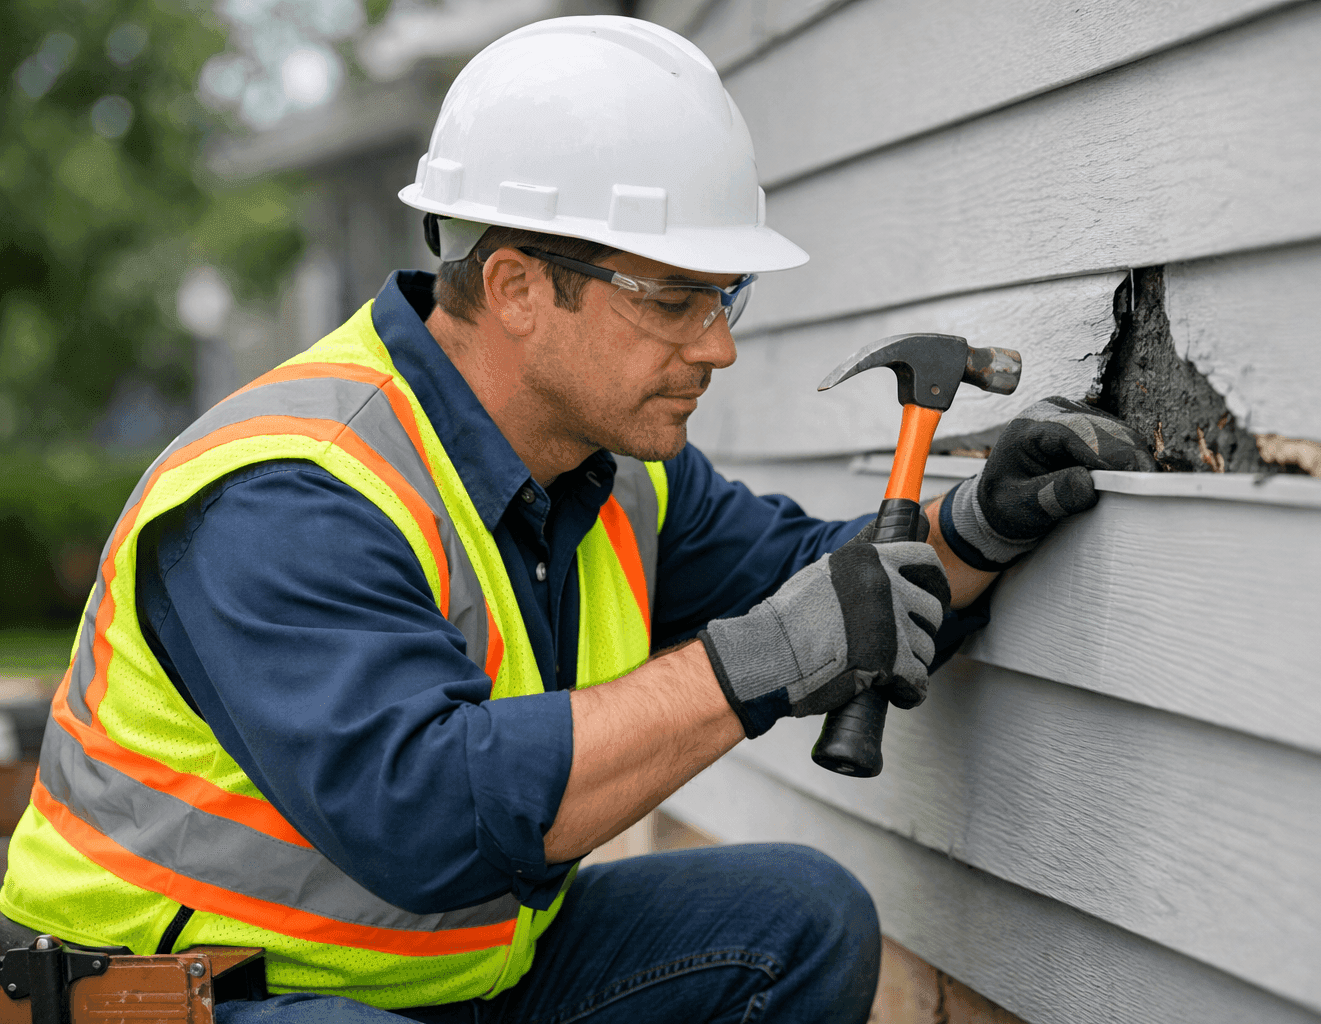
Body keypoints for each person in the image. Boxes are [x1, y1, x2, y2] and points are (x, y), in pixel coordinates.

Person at [0, 16, 1153, 1023]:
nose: (718, 344)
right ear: (514, 289)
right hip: (199, 999)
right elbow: (428, 819)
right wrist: (756, 663)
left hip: (449, 981)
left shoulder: (619, 473)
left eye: (727, 295)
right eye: (676, 298)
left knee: (798, 921)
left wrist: (972, 530)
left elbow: (832, 591)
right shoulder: (290, 492)